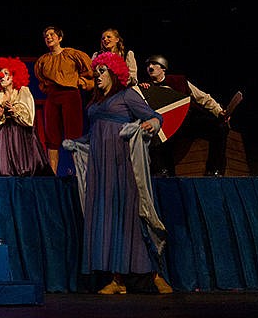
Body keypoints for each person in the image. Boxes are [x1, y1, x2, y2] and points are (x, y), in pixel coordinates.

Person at [63, 52, 172, 295]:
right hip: (101, 171)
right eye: (96, 71)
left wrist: (149, 125)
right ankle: (117, 280)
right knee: (108, 221)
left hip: (123, 166)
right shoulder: (95, 102)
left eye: (103, 71)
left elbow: (156, 116)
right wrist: (76, 143)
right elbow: (94, 136)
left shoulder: (127, 96)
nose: (98, 76)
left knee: (130, 218)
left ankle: (155, 275)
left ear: (114, 73)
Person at [139, 54, 230, 177]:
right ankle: (163, 173)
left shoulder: (179, 81)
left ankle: (213, 170)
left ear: (163, 68)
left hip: (188, 121)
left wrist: (219, 111)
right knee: (154, 139)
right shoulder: (147, 88)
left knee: (220, 127)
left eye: (154, 64)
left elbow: (203, 98)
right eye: (148, 65)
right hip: (167, 127)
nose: (150, 67)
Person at [33, 26, 95, 175]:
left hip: (70, 95)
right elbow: (42, 81)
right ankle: (53, 174)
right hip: (53, 97)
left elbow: (89, 71)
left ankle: (79, 172)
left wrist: (80, 81)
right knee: (52, 135)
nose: (48, 37)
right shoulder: (43, 61)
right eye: (46, 35)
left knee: (73, 134)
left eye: (52, 34)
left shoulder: (73, 54)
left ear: (60, 38)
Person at [0, 57, 54, 177]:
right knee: (5, 170)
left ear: (14, 76)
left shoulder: (22, 92)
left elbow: (29, 119)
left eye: (6, 73)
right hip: (4, 135)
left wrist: (15, 111)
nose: (2, 76)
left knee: (26, 168)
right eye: (1, 74)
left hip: (22, 135)